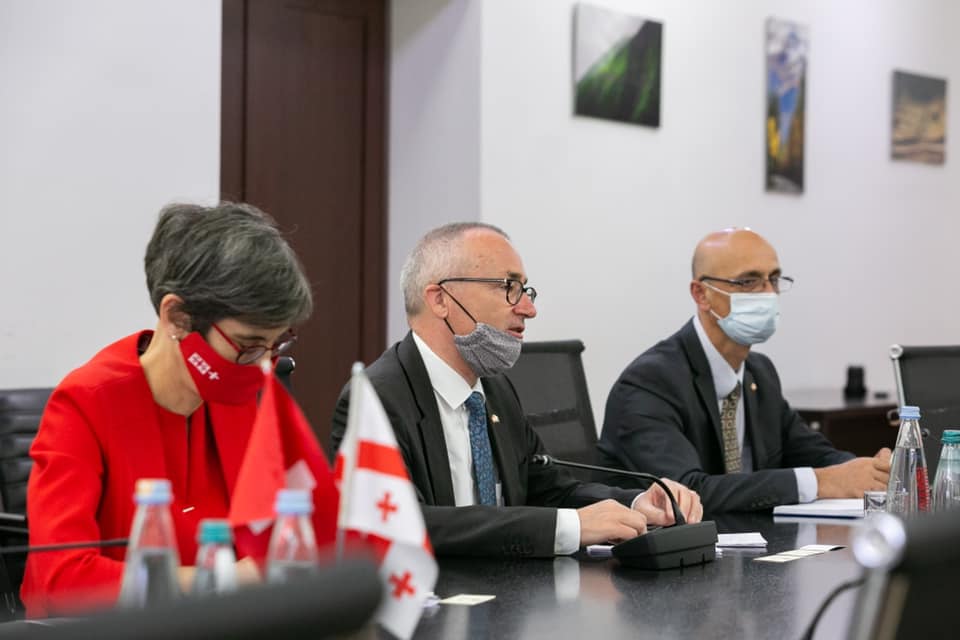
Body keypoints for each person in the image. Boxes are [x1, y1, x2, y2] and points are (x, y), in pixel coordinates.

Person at [331, 223, 702, 557]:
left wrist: (635, 503)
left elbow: (547, 488)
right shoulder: (375, 399)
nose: (528, 309)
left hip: (511, 594)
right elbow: (404, 525)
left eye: (525, 290)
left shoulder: (495, 389)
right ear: (440, 299)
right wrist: (568, 527)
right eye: (508, 287)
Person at [21, 202, 313, 616]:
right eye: (248, 346)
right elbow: (62, 580)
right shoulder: (85, 403)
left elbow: (281, 536)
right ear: (177, 316)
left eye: (277, 344)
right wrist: (229, 580)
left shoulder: (241, 398)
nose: (264, 366)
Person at [598, 228, 891, 513]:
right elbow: (686, 493)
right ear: (701, 294)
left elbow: (815, 454)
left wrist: (870, 470)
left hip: (752, 539)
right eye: (749, 281)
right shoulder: (650, 382)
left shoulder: (759, 372)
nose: (769, 293)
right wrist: (822, 482)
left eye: (773, 279)